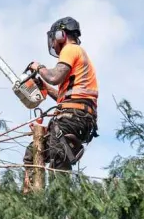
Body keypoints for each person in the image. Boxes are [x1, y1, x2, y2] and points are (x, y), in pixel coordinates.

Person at [22, 16, 99, 171]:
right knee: (33, 153)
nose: (52, 43)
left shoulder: (70, 49)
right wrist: (43, 86)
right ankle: (33, 194)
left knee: (59, 160)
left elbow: (54, 77)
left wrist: (38, 67)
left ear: (60, 35)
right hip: (76, 115)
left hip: (74, 117)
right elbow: (64, 97)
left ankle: (60, 194)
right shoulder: (77, 56)